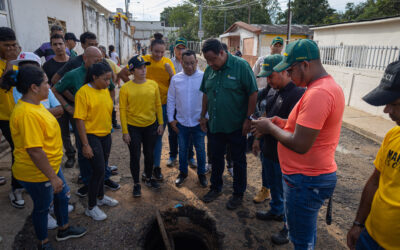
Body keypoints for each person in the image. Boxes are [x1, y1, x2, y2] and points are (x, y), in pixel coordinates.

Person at [251, 39, 345, 249]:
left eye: (291, 70)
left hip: (306, 179)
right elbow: (305, 128)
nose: (290, 76)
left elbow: (301, 143)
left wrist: (269, 128)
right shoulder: (320, 88)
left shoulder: (318, 93)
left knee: (300, 240)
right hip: (307, 176)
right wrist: (282, 123)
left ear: (305, 65)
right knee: (305, 231)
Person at [4, 65, 86, 249]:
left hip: (50, 167)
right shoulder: (27, 114)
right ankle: (43, 242)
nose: (49, 87)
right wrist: (52, 176)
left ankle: (63, 229)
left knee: (62, 197)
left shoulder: (35, 105)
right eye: (46, 83)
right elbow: (35, 151)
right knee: (42, 207)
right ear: (34, 87)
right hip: (39, 172)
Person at [346, 60, 400, 250]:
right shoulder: (393, 136)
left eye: (393, 104)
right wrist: (359, 224)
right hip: (369, 236)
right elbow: (375, 181)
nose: (387, 111)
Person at [52, 47, 120, 197]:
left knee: (102, 155)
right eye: (96, 60)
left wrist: (109, 103)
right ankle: (88, 183)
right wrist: (68, 106)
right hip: (82, 120)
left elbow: (111, 88)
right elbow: (56, 88)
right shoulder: (73, 75)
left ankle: (103, 179)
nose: (100, 62)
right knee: (85, 153)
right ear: (85, 59)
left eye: (101, 59)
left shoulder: (103, 74)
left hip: (100, 121)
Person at [252, 55, 305, 245]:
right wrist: (258, 138)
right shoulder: (273, 91)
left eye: (271, 76)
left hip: (286, 155)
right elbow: (266, 116)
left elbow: (297, 129)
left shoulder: (298, 94)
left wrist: (270, 128)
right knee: (274, 186)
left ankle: (288, 228)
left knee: (289, 196)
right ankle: (275, 210)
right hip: (269, 150)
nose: (268, 81)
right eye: (266, 77)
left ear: (284, 71)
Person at [199, 38, 258, 210]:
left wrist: (249, 119)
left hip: (236, 126)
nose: (210, 63)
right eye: (207, 60)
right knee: (216, 158)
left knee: (238, 160)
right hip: (215, 125)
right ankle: (215, 188)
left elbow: (253, 93)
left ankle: (238, 194)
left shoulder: (241, 66)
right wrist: (203, 115)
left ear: (222, 53)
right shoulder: (209, 70)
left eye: (213, 59)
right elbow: (205, 93)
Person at [74, 62, 119, 221]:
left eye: (109, 80)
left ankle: (101, 197)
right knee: (98, 170)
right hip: (91, 136)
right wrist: (85, 144)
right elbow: (79, 120)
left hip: (105, 135)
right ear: (94, 77)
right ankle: (91, 207)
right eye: (105, 79)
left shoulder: (105, 90)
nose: (108, 83)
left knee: (104, 167)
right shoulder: (83, 92)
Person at [120, 55, 164, 196]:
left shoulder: (153, 84)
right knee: (135, 155)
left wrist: (161, 123)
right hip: (133, 128)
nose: (143, 70)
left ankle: (149, 177)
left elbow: (158, 105)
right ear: (132, 71)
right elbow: (122, 110)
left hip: (151, 125)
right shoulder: (125, 88)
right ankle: (136, 183)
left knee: (149, 154)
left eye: (144, 67)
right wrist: (125, 132)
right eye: (139, 68)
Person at [167, 50, 208, 188]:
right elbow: (171, 100)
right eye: (186, 64)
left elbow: (209, 99)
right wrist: (171, 119)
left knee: (201, 149)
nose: (189, 67)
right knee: (183, 149)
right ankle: (183, 173)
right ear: (181, 63)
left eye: (192, 63)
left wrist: (206, 117)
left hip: (198, 122)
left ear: (197, 62)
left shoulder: (204, 77)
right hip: (182, 123)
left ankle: (201, 174)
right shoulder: (176, 79)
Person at [142, 33, 176, 182]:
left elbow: (175, 83)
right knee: (148, 138)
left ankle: (156, 167)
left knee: (158, 137)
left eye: (162, 52)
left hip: (164, 105)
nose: (159, 54)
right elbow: (125, 74)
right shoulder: (142, 61)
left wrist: (170, 71)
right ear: (150, 49)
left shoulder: (168, 62)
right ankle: (149, 167)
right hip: (146, 106)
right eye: (156, 51)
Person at [0, 27, 24, 209]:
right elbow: (4, 86)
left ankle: (25, 181)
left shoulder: (18, 60)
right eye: (6, 45)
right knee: (17, 150)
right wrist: (8, 66)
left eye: (13, 45)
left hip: (22, 113)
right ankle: (15, 189)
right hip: (5, 116)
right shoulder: (8, 63)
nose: (10, 49)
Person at [43, 34, 76, 169]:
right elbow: (47, 86)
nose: (58, 47)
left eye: (60, 44)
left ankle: (83, 156)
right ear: (51, 47)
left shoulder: (74, 61)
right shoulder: (47, 66)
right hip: (58, 105)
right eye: (55, 44)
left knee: (80, 131)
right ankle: (70, 156)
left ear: (65, 45)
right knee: (64, 133)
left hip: (75, 103)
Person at [169, 37, 196, 168]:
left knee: (189, 130)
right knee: (173, 130)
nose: (180, 50)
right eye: (178, 48)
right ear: (174, 49)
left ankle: (190, 156)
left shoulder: (189, 62)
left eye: (182, 48)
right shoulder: (169, 63)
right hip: (174, 101)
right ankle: (173, 155)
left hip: (187, 102)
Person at [99, 45, 121, 128]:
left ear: (104, 53)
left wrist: (114, 83)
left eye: (100, 52)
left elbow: (119, 72)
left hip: (109, 91)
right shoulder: (93, 63)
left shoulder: (108, 62)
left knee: (112, 106)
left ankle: (114, 122)